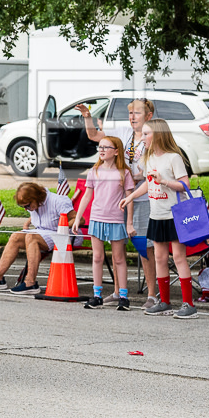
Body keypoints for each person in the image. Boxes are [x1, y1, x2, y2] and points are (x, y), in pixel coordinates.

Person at [78, 97, 158, 302]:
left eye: (137, 113)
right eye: (130, 113)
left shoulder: (152, 137)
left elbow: (158, 166)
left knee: (144, 246)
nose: (133, 117)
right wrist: (88, 117)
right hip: (117, 201)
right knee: (117, 247)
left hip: (142, 199)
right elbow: (94, 135)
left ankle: (151, 294)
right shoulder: (124, 134)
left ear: (148, 116)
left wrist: (140, 176)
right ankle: (117, 291)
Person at [121, 118, 197, 318]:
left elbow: (185, 185)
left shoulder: (174, 157)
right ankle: (164, 302)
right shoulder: (148, 157)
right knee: (160, 258)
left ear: (158, 134)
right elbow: (147, 183)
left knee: (179, 257)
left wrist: (165, 181)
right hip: (157, 215)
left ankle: (188, 305)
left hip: (174, 215)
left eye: (146, 134)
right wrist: (130, 196)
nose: (143, 138)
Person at [73, 136, 136, 310]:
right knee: (98, 257)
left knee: (119, 258)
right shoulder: (95, 170)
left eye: (106, 147)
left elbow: (130, 198)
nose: (101, 150)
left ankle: (123, 296)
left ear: (116, 151)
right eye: (99, 147)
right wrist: (78, 217)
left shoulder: (124, 173)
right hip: (96, 218)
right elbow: (87, 195)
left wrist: (129, 223)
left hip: (116, 219)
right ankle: (96, 295)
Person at [0, 182, 74, 293]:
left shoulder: (58, 201)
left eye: (27, 206)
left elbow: (79, 220)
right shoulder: (35, 205)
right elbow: (42, 216)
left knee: (31, 237)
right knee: (15, 236)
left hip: (62, 235)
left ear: (37, 197)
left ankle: (30, 282)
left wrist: (62, 228)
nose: (26, 209)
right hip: (41, 232)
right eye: (23, 207)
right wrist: (28, 221)